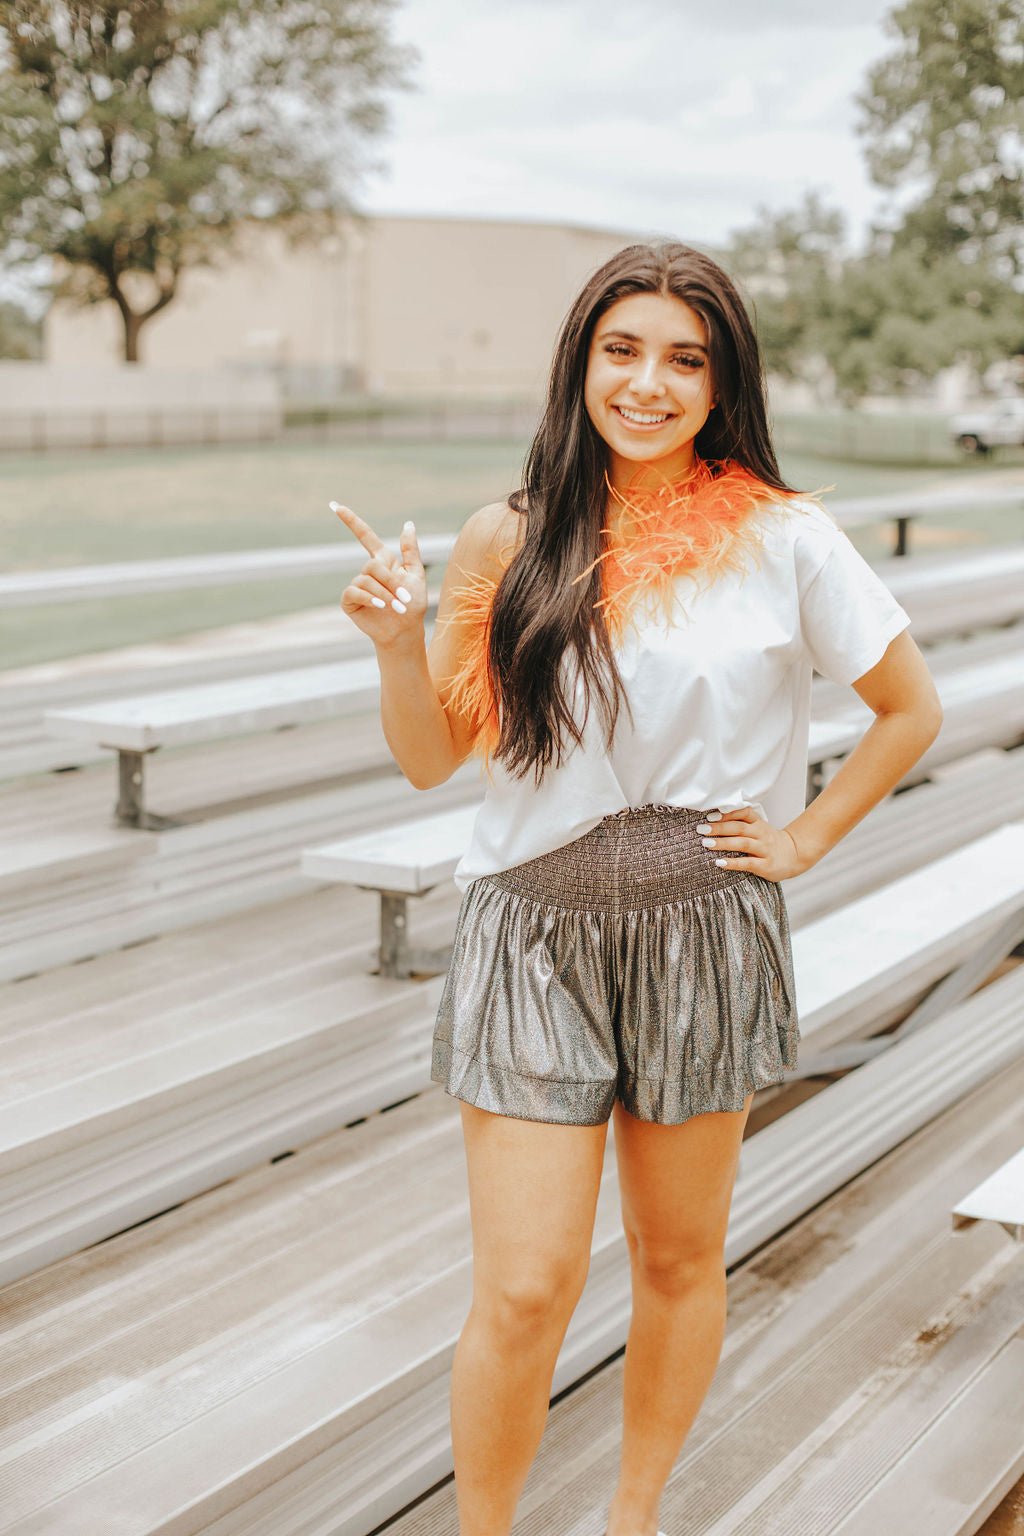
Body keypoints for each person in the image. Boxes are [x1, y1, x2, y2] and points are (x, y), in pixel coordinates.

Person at [331, 241, 943, 1536]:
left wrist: (809, 838)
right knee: (526, 1286)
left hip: (705, 926)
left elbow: (908, 708)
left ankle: (634, 1519)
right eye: (624, 349)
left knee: (676, 1260)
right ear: (582, 361)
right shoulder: (512, 531)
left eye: (685, 358)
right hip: (531, 932)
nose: (649, 383)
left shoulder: (787, 537)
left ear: (722, 382)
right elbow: (435, 756)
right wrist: (397, 645)